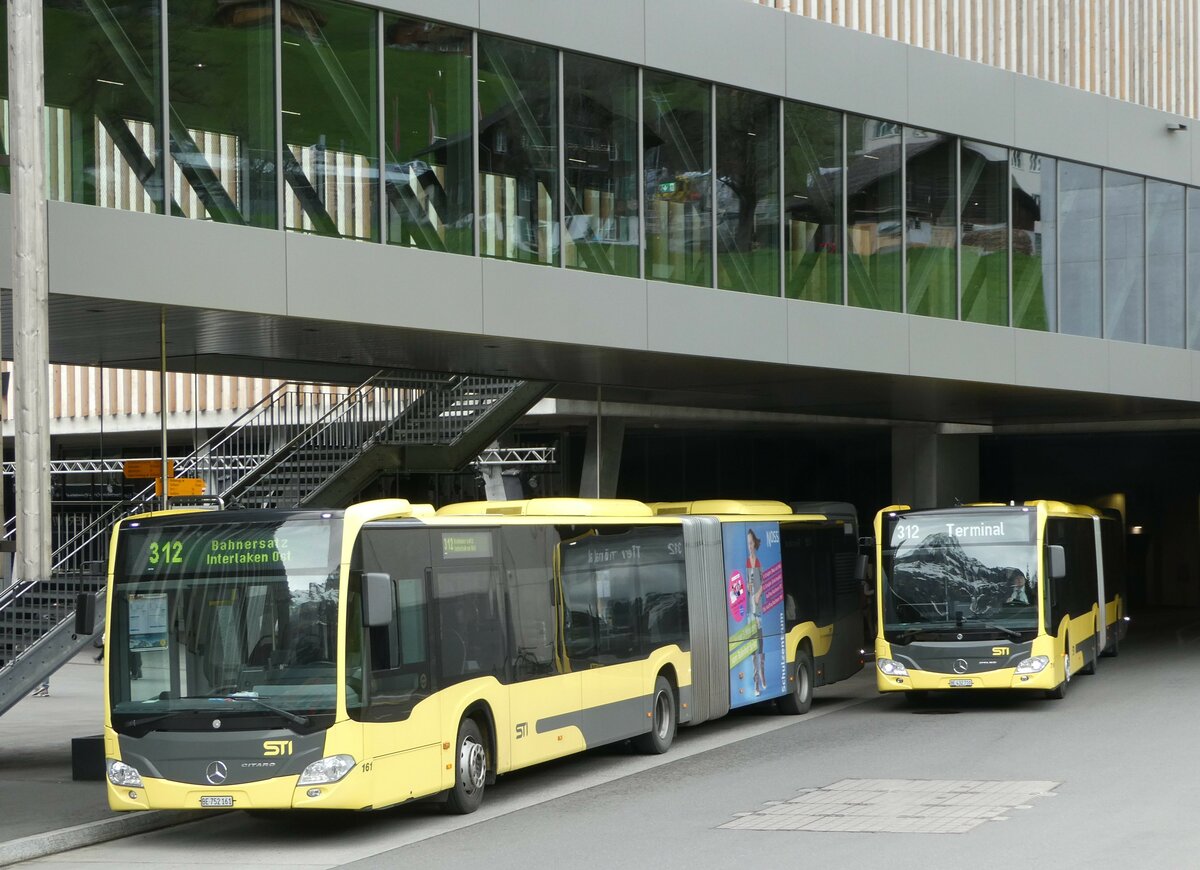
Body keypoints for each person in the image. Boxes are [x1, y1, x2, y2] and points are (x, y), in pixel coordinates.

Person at [746, 528, 766, 696]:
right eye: (748, 544)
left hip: (758, 610)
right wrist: (747, 588)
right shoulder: (747, 563)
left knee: (760, 646)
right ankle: (756, 685)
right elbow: (745, 585)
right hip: (750, 613)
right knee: (753, 650)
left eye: (751, 543)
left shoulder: (758, 563)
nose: (750, 546)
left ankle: (763, 673)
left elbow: (764, 581)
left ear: (755, 544)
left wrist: (758, 594)